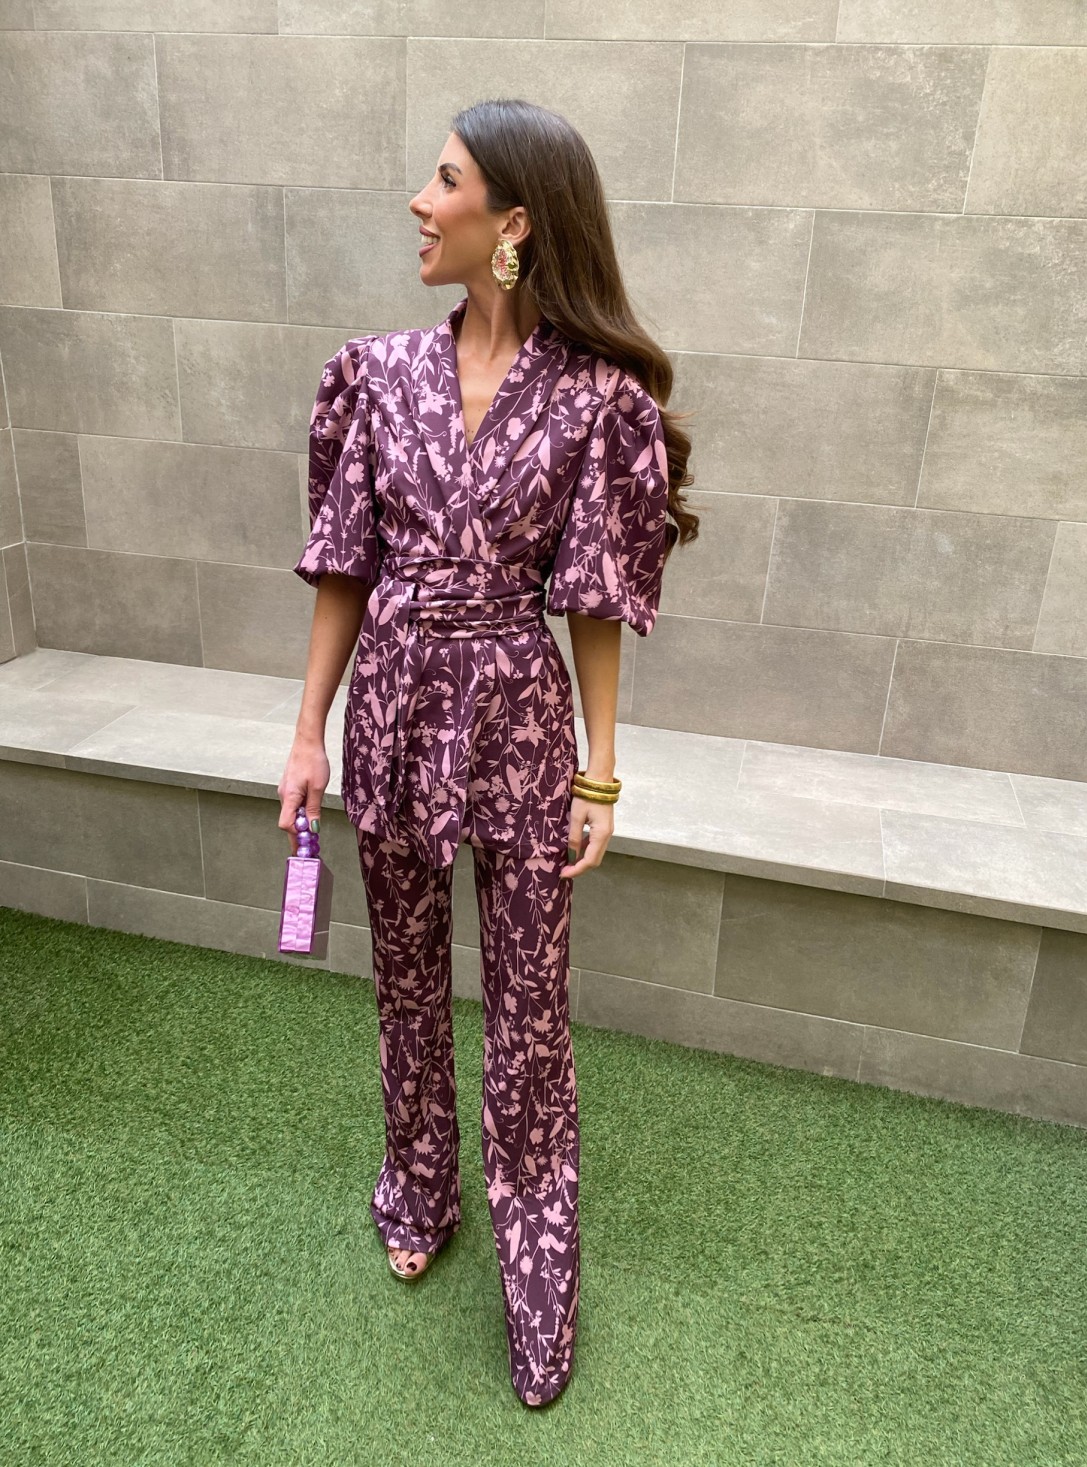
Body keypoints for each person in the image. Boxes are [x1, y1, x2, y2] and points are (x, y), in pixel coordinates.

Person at [278, 97, 697, 1409]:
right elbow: (345, 569)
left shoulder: (596, 401)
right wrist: (307, 730)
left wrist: (601, 772)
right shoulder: (374, 374)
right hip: (393, 713)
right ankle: (419, 1185)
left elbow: (595, 602)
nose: (419, 200)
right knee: (405, 980)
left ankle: (537, 1256)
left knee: (528, 1010)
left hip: (519, 723)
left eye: (445, 180)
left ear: (512, 223)